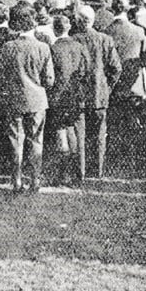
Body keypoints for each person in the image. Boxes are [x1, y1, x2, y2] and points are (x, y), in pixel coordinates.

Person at [0, 3, 55, 193]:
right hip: (37, 99)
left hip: (13, 99)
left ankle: (17, 179)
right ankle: (35, 179)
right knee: (36, 140)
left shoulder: (7, 47)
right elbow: (49, 79)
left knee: (15, 140)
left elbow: (0, 76)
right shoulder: (43, 47)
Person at [72, 4, 121, 179]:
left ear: (78, 20)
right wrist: (107, 87)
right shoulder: (105, 39)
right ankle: (98, 171)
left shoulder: (74, 39)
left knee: (80, 135)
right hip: (100, 95)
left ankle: (81, 172)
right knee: (99, 135)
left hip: (79, 95)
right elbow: (116, 68)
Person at [47, 14, 91, 187]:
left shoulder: (53, 48)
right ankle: (74, 173)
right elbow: (86, 70)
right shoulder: (79, 46)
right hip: (75, 95)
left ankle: (62, 174)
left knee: (60, 133)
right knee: (72, 131)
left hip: (58, 96)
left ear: (55, 28)